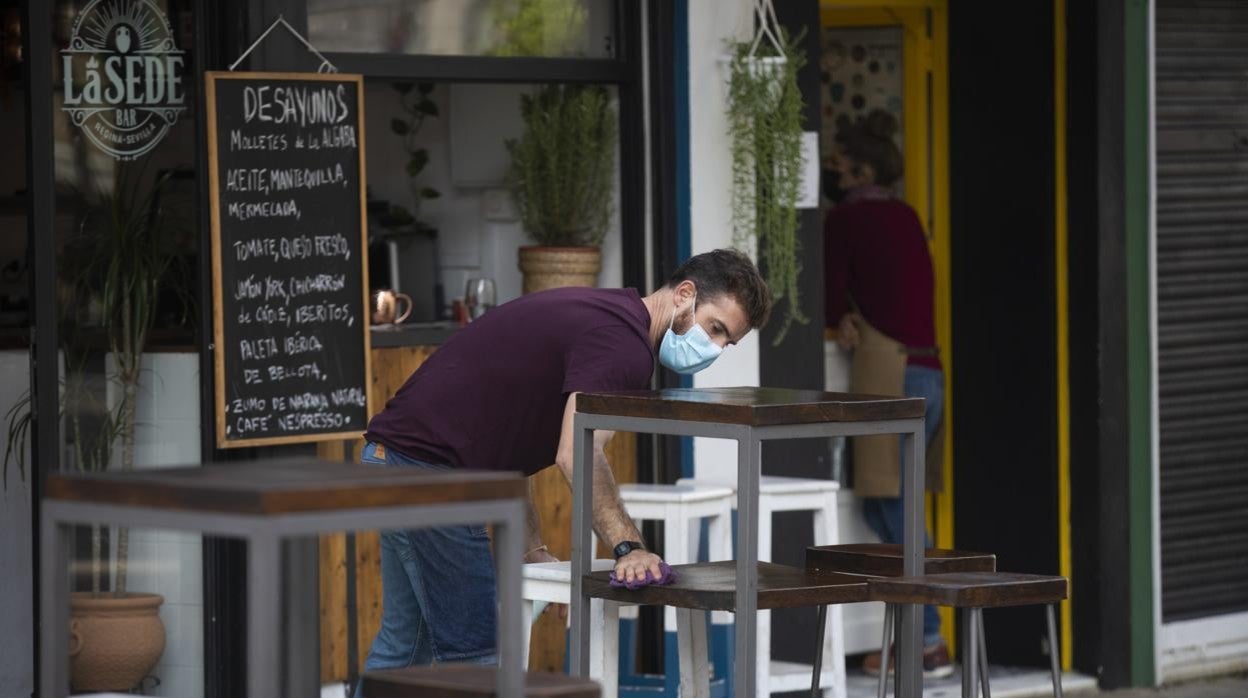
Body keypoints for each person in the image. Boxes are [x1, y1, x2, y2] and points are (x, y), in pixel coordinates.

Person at [356, 248, 772, 681]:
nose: (716, 348)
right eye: (716, 328)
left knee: (405, 649)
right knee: (474, 660)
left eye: (729, 342)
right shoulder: (623, 347)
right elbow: (578, 453)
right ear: (685, 294)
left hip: (397, 458)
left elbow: (506, 442)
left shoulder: (609, 315)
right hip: (431, 473)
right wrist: (628, 546)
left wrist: (531, 547)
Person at [823, 110, 952, 678]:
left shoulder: (847, 220)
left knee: (894, 508)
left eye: (840, 164)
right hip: (929, 374)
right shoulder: (906, 216)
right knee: (887, 505)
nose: (833, 173)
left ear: (861, 169)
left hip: (890, 377)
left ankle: (926, 641)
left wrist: (838, 318)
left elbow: (825, 291)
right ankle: (920, 635)